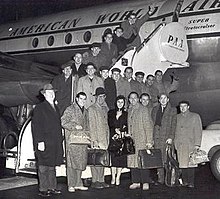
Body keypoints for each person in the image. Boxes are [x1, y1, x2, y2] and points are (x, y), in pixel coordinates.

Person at [31, 83, 63, 197]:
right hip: (44, 141)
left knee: (52, 165)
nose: (51, 94)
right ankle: (43, 188)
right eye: (49, 93)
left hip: (54, 142)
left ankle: (52, 187)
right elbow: (37, 126)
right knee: (43, 166)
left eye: (53, 92)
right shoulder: (40, 108)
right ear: (44, 95)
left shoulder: (56, 108)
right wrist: (40, 142)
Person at [61, 92, 89, 192]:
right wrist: (74, 126)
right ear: (76, 99)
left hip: (82, 141)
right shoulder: (70, 109)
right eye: (81, 98)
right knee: (71, 164)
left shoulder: (85, 111)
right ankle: (71, 184)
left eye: (84, 99)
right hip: (72, 141)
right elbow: (63, 121)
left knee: (80, 163)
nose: (83, 101)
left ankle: (78, 183)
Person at [127, 92, 154, 190]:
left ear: (138, 99)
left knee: (143, 161)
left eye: (135, 98)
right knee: (133, 161)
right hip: (132, 140)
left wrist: (149, 141)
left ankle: (145, 182)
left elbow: (148, 126)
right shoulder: (129, 110)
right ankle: (136, 181)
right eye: (131, 98)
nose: (133, 100)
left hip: (142, 139)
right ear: (129, 99)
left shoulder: (143, 109)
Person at [174, 101, 202, 188]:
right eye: (181, 106)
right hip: (180, 144)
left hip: (190, 144)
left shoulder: (195, 116)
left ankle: (191, 182)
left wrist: (197, 144)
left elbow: (198, 131)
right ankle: (184, 181)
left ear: (188, 107)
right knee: (182, 164)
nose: (182, 108)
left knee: (191, 163)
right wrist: (176, 143)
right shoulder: (176, 117)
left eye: (185, 106)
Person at [151, 93, 177, 184]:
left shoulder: (173, 110)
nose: (163, 100)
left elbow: (174, 125)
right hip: (157, 137)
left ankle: (169, 179)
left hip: (166, 138)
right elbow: (152, 124)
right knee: (159, 159)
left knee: (167, 159)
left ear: (168, 99)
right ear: (159, 100)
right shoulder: (155, 110)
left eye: (164, 98)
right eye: (161, 98)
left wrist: (171, 137)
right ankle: (160, 179)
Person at [88, 87, 110, 189]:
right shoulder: (92, 109)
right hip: (97, 138)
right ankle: (94, 180)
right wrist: (94, 140)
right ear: (96, 97)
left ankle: (101, 180)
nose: (101, 99)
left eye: (103, 96)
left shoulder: (105, 108)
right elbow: (92, 125)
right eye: (99, 96)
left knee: (102, 160)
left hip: (104, 138)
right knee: (95, 160)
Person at [108, 95, 128, 186]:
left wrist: (122, 130)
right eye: (118, 102)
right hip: (113, 138)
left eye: (122, 102)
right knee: (114, 159)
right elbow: (109, 123)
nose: (120, 104)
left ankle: (118, 178)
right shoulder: (111, 112)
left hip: (122, 138)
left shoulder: (126, 114)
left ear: (124, 104)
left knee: (120, 159)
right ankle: (112, 177)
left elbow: (127, 125)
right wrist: (114, 129)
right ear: (115, 103)